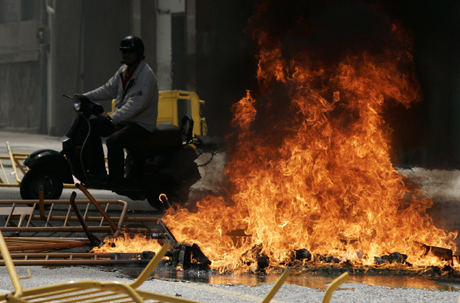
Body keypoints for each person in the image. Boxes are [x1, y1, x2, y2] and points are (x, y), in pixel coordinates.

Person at [77, 35, 159, 188]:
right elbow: (108, 89)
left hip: (140, 124)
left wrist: (112, 117)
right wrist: (84, 96)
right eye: (124, 51)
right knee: (91, 126)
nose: (127, 54)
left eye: (131, 52)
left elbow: (136, 105)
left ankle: (116, 181)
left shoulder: (146, 76)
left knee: (114, 141)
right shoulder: (124, 71)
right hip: (124, 120)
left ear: (139, 54)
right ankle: (97, 171)